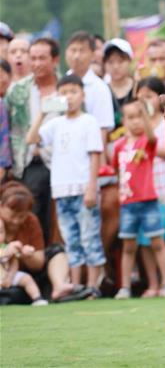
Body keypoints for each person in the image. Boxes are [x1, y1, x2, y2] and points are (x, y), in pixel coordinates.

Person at [26, 74, 105, 296]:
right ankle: (75, 286)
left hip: (82, 188)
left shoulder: (89, 121)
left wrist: (91, 187)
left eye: (73, 92)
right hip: (62, 190)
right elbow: (31, 139)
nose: (69, 97)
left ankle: (93, 286)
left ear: (83, 95)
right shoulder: (55, 124)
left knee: (89, 237)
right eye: (64, 93)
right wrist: (43, 111)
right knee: (71, 239)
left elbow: (95, 156)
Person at [111, 99, 165, 299]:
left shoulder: (146, 142)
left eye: (139, 117)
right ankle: (125, 287)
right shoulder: (119, 146)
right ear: (123, 121)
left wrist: (146, 115)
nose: (136, 122)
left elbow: (153, 139)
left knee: (157, 243)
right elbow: (116, 170)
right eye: (131, 118)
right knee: (129, 246)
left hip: (149, 201)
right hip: (127, 204)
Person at [5, 37, 60, 242]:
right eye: (33, 58)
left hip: (63, 160)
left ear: (55, 60)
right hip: (30, 161)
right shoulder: (17, 91)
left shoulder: (67, 88)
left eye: (42, 58)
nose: (36, 63)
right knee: (34, 211)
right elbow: (8, 128)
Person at [0, 181, 89, 302]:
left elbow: (38, 263)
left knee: (56, 251)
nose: (16, 221)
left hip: (24, 277)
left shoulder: (31, 221)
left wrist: (26, 256)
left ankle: (60, 287)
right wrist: (5, 252)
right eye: (12, 214)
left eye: (21, 216)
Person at [135, 77, 165, 297]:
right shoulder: (134, 121)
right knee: (145, 239)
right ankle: (152, 283)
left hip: (164, 185)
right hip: (141, 187)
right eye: (141, 97)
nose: (145, 101)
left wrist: (146, 147)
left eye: (149, 96)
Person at [64, 31, 114, 155]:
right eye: (73, 50)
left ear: (92, 55)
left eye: (82, 51)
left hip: (87, 154)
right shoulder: (59, 84)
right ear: (66, 53)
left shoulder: (100, 88)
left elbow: (102, 129)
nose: (76, 56)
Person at [0, 215, 48, 305]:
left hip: (7, 275)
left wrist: (10, 277)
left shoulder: (6, 247)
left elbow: (14, 262)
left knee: (26, 278)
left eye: (1, 232)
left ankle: (37, 298)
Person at [103, 38, 135, 133]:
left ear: (129, 61)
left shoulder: (139, 88)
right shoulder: (102, 90)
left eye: (120, 61)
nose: (115, 66)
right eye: (110, 62)